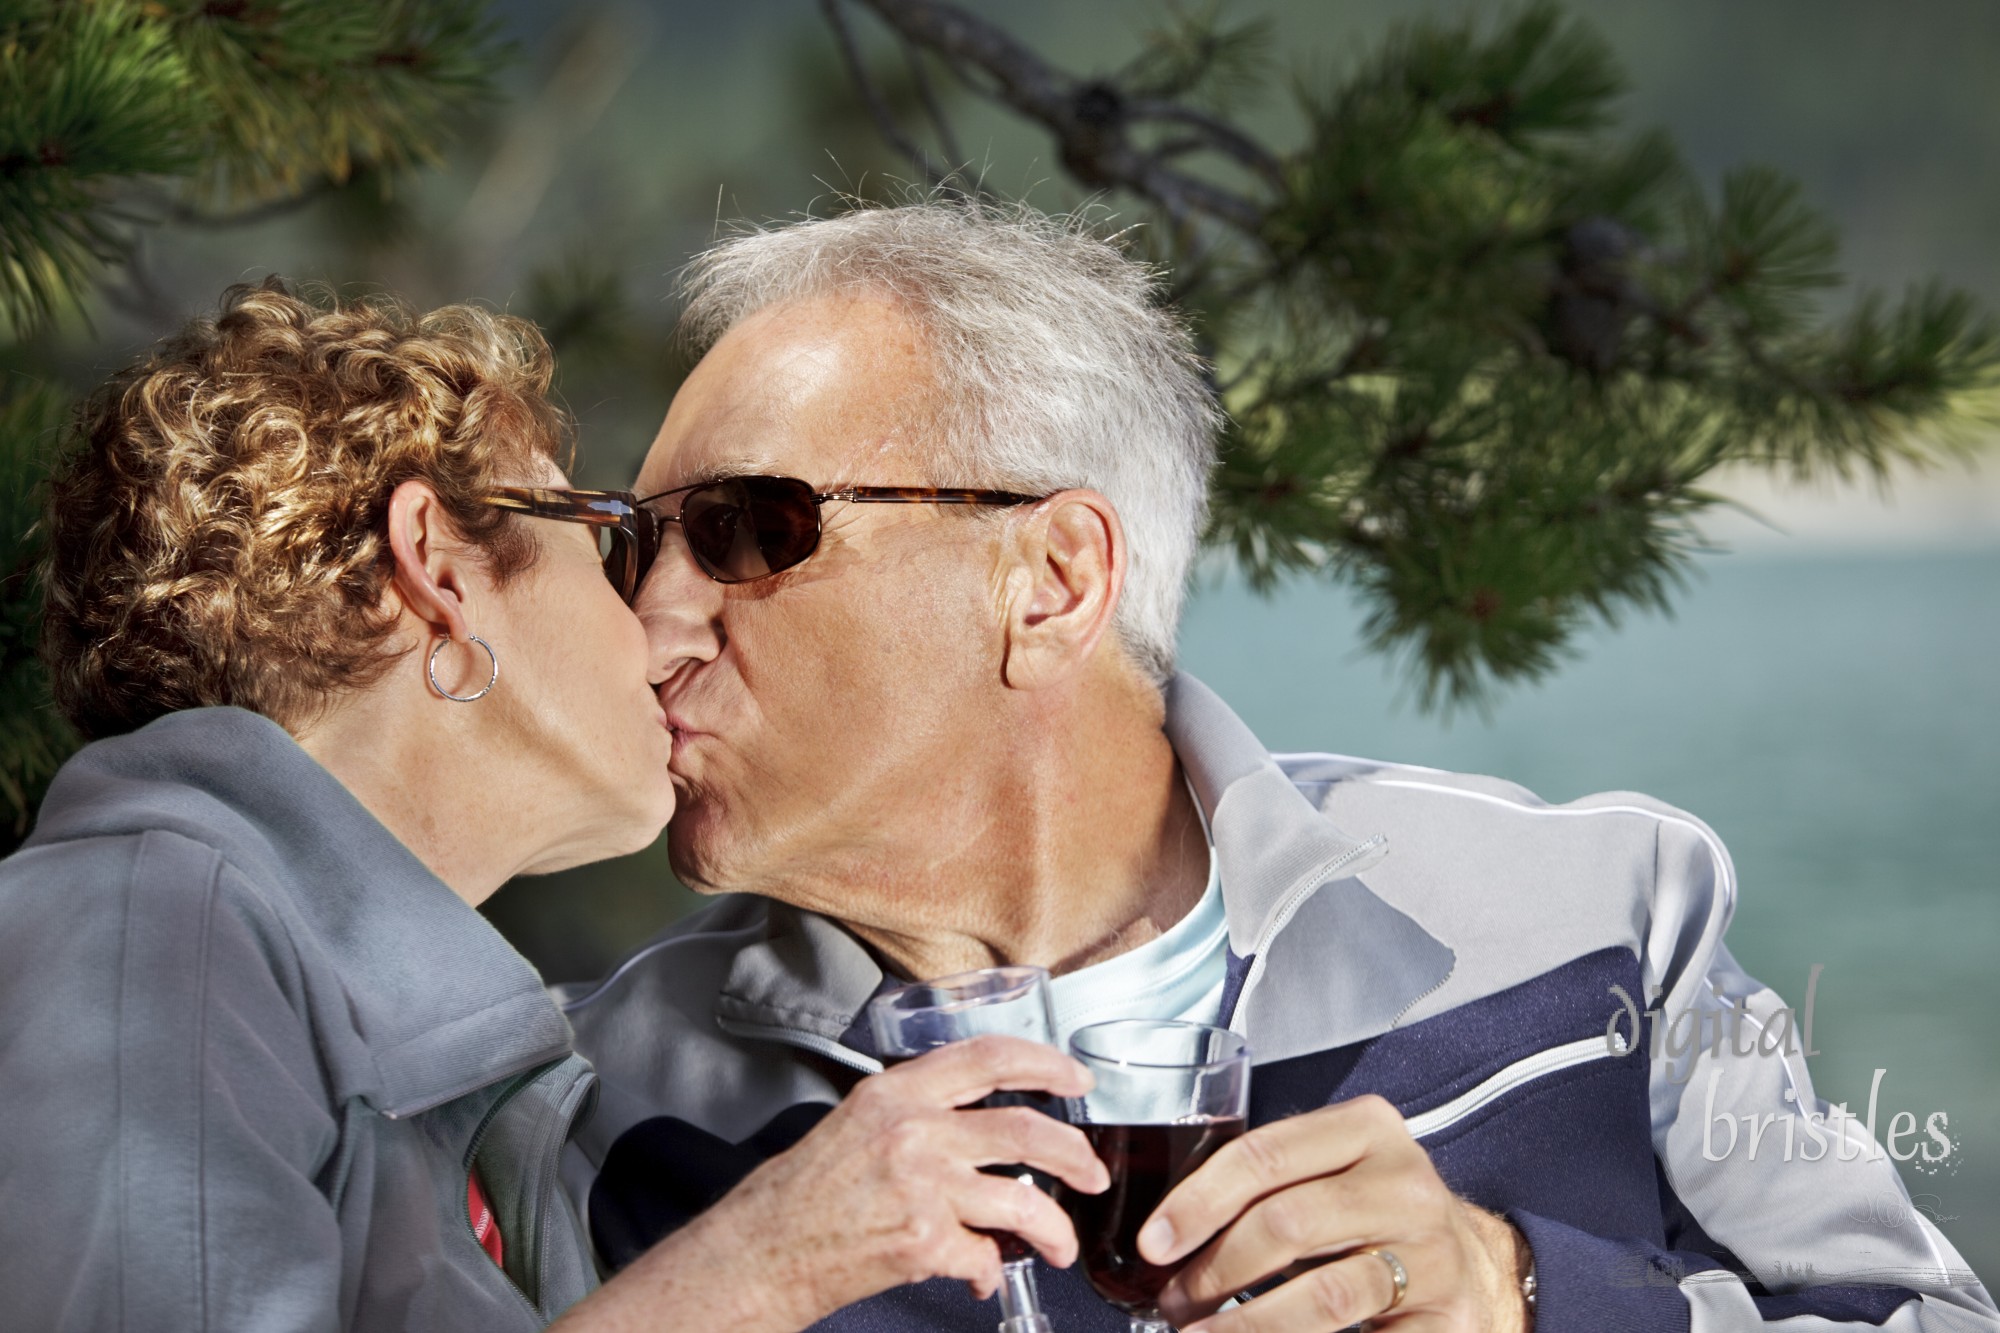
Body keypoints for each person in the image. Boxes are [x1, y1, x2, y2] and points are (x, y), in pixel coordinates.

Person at [562, 202, 1999, 1333]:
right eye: (635, 542)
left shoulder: (1603, 909)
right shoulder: (603, 1100)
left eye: (750, 530)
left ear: (1051, 582)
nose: (652, 619)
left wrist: (1522, 1296)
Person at [0, 279, 1110, 1333]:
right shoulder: (149, 926)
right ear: (437, 567)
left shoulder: (372, 1037)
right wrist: (760, 1265)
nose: (658, 625)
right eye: (612, 539)